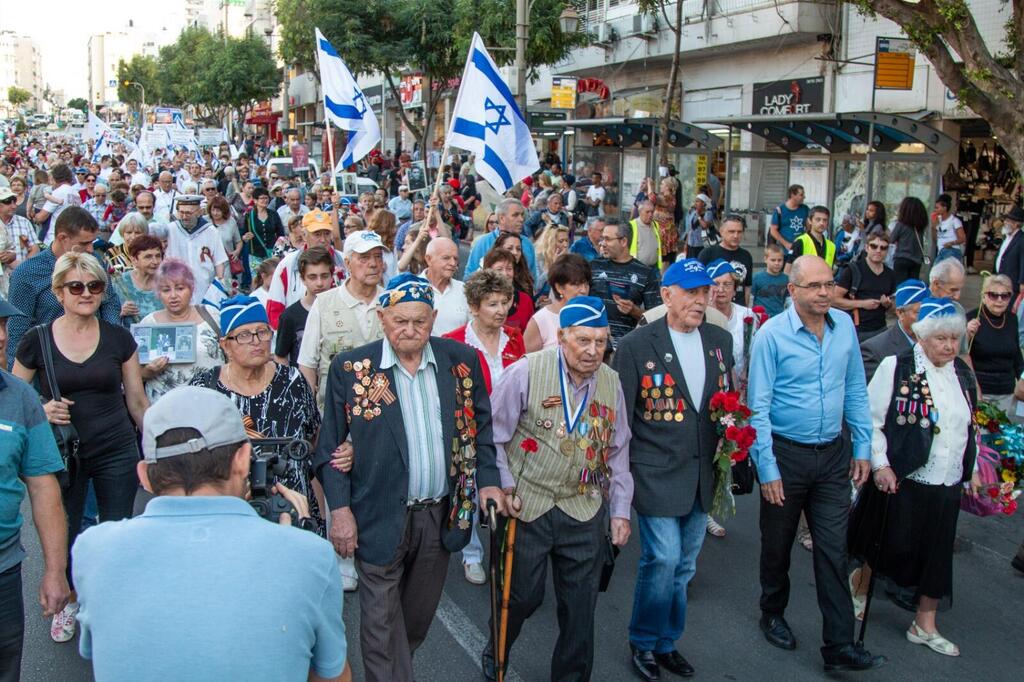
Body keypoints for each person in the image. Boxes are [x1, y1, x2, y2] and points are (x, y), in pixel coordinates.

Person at [72, 386, 351, 681]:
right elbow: (332, 673)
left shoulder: (92, 549)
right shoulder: (309, 556)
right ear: (243, 459)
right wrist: (299, 538)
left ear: (144, 476)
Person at [314, 273, 505, 682]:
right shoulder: (352, 369)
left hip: (439, 516)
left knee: (415, 621)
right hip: (378, 514)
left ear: (433, 318)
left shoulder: (461, 362)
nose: (409, 330)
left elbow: (481, 431)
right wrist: (341, 511)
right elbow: (330, 448)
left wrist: (488, 480)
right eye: (400, 320)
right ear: (382, 318)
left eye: (419, 321)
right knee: (381, 627)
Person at [746, 255, 885, 673]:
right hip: (786, 457)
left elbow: (856, 390)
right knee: (777, 544)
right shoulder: (771, 337)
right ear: (793, 291)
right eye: (815, 286)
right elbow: (758, 408)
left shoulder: (844, 329)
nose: (826, 292)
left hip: (833, 457)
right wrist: (767, 469)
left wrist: (863, 446)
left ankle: (839, 645)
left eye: (829, 284)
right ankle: (772, 610)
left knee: (832, 550)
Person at [482, 295, 632, 681]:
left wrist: (619, 511)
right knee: (521, 598)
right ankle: (496, 648)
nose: (593, 350)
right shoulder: (526, 371)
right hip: (527, 504)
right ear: (562, 336)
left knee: (581, 609)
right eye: (583, 340)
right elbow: (493, 437)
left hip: (582, 506)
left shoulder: (611, 383)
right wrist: (505, 485)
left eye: (601, 342)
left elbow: (617, 452)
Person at [12, 252, 148, 644]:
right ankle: (69, 599)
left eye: (95, 286)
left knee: (117, 528)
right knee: (67, 530)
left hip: (116, 446)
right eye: (76, 286)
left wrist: (157, 444)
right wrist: (41, 407)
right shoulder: (36, 340)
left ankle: (109, 601)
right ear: (59, 292)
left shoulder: (119, 338)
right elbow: (15, 398)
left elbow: (137, 402)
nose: (86, 293)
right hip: (61, 454)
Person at [613, 259, 733, 681]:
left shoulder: (720, 340)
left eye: (706, 292)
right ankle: (643, 641)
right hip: (655, 471)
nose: (702, 300)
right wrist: (619, 489)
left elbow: (726, 401)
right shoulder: (637, 345)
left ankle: (667, 642)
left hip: (702, 472)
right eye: (692, 292)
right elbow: (621, 419)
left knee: (684, 566)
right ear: (667, 295)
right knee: (662, 558)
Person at [848, 299, 980, 657]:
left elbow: (969, 426)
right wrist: (880, 464)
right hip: (905, 476)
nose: (950, 346)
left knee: (937, 554)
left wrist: (975, 467)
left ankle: (924, 623)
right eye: (941, 339)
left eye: (954, 339)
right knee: (889, 542)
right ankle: (861, 585)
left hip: (947, 481)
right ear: (922, 337)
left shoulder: (963, 374)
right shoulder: (897, 366)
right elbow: (871, 422)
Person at [191, 295, 325, 536]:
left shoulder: (292, 381)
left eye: (262, 332)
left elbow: (313, 441)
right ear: (225, 345)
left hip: (294, 508)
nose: (257, 342)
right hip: (231, 515)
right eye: (244, 335)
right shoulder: (205, 388)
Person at [0, 296, 71, 681]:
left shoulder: (20, 396)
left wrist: (55, 572)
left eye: (1, 326)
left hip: (4, 571)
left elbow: (44, 488)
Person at [443, 270, 525, 584]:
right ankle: (472, 554)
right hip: (469, 429)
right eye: (492, 303)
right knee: (470, 490)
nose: (501, 309)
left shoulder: (516, 338)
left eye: (505, 302)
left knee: (504, 489)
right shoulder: (453, 341)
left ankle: (505, 550)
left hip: (509, 430)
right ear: (475, 307)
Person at [5, 207, 122, 368]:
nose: (90, 249)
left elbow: (109, 302)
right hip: (50, 368)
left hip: (97, 359)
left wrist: (114, 339)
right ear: (62, 238)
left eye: (92, 243)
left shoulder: (93, 261)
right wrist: (19, 384)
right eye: (84, 243)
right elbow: (17, 330)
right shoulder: (28, 273)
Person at [298, 230, 386, 415]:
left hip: (383, 413)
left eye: (378, 257)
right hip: (334, 411)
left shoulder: (391, 302)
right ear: (347, 263)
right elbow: (307, 363)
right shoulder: (324, 303)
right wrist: (311, 415)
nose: (373, 264)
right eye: (364, 258)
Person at [137, 258, 223, 403]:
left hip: (210, 402)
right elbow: (135, 374)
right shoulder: (149, 323)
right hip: (165, 408)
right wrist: (147, 372)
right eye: (166, 290)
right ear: (158, 293)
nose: (173, 296)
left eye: (180, 288)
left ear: (191, 288)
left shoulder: (211, 315)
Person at [589, 220, 662, 349]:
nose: (602, 243)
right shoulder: (593, 266)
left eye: (607, 239)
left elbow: (657, 317)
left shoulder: (645, 273)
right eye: (602, 239)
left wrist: (634, 311)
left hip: (626, 348)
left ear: (623, 241)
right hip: (594, 345)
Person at [266, 210, 346, 329]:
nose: (323, 239)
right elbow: (274, 308)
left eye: (327, 233)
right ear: (304, 235)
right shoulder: (287, 265)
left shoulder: (345, 261)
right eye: (317, 234)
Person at [151, 195, 228, 305]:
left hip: (204, 287)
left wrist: (220, 283)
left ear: (199, 212)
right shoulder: (171, 229)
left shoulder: (211, 231)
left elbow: (219, 261)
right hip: (176, 288)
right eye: (181, 212)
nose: (184, 216)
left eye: (188, 213)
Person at [966, 274, 1022, 414]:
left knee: (1006, 433)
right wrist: (966, 335)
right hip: (981, 393)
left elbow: (1016, 356)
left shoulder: (1012, 319)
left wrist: (1021, 377)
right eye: (993, 295)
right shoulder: (972, 318)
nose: (999, 300)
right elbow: (961, 355)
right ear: (984, 296)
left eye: (1005, 295)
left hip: (1007, 392)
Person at [275, 247, 336, 368]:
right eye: (312, 277)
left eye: (324, 276)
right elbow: (280, 355)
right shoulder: (290, 316)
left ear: (332, 276)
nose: (319, 283)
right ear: (302, 279)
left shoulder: (342, 308)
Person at [833, 229, 896, 342]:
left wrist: (888, 304)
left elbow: (894, 308)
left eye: (883, 248)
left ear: (887, 251)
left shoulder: (890, 274)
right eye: (874, 246)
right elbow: (833, 300)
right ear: (866, 247)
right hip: (854, 330)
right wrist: (862, 304)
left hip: (880, 330)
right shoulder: (853, 270)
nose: (878, 250)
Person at [861, 279, 928, 383]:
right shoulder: (874, 351)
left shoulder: (936, 344)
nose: (926, 318)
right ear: (900, 313)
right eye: (919, 312)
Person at [524, 254, 591, 353]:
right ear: (559, 287)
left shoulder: (593, 314)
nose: (584, 290)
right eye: (576, 284)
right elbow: (527, 362)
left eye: (586, 284)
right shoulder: (541, 320)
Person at [706, 258, 756, 383]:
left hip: (743, 382)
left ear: (734, 290)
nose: (721, 289)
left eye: (727, 284)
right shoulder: (701, 317)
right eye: (716, 284)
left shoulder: (747, 315)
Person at [465, 198, 540, 280]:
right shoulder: (483, 242)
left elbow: (533, 278)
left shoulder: (527, 244)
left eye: (522, 215)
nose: (521, 219)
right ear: (501, 218)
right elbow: (469, 276)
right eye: (515, 215)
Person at [698, 214, 754, 305]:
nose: (736, 236)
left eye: (739, 232)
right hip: (712, 308)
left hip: (738, 310)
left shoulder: (746, 255)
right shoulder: (707, 254)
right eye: (731, 231)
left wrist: (746, 310)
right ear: (721, 232)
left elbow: (747, 287)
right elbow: (698, 284)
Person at [110, 234, 164, 326]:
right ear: (134, 259)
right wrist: (121, 312)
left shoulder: (167, 283)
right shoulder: (119, 282)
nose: (155, 261)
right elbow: (106, 317)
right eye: (148, 257)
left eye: (158, 256)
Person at [422, 237, 469, 336]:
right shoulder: (413, 288)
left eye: (455, 259)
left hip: (457, 350)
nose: (453, 263)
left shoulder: (464, 290)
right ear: (429, 259)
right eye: (446, 258)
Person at [888, 197, 929, 282]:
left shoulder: (901, 224)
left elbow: (891, 239)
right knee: (912, 286)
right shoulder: (920, 227)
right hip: (916, 261)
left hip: (902, 258)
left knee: (900, 286)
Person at [768, 184, 808, 260]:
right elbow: (773, 230)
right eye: (801, 195)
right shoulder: (780, 210)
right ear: (793, 195)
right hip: (785, 252)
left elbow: (809, 226)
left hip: (801, 251)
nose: (804, 197)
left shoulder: (805, 209)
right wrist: (786, 244)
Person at [994, 205, 1024, 299]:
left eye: (1008, 221)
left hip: (1013, 284)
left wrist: (1022, 282)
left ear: (1016, 224)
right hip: (1001, 280)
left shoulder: (1021, 239)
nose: (1005, 223)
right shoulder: (1007, 237)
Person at [752, 243, 789, 317]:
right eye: (773, 260)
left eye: (779, 260)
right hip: (760, 318)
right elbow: (751, 298)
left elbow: (788, 301)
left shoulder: (786, 279)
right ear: (765, 259)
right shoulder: (757, 277)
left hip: (779, 318)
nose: (777, 263)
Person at [534, 224, 570, 298]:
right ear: (550, 242)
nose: (565, 245)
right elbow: (536, 286)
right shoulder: (538, 257)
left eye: (567, 240)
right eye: (561, 241)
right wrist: (552, 266)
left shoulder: (569, 257)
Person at [628, 201, 664, 270]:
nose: (650, 215)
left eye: (652, 212)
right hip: (637, 268)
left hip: (654, 268)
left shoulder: (656, 225)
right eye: (647, 212)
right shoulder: (631, 226)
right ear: (640, 212)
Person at [932, 194, 965, 263]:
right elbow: (935, 239)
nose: (935, 210)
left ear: (945, 208)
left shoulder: (954, 221)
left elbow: (962, 238)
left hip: (952, 251)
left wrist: (951, 243)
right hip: (941, 251)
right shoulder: (938, 221)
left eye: (937, 208)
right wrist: (933, 226)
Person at [682, 193, 714, 261]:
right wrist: (686, 244)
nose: (695, 203)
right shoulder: (693, 213)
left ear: (703, 203)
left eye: (697, 201)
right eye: (695, 201)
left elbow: (704, 225)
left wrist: (699, 216)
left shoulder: (708, 213)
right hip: (691, 243)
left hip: (701, 244)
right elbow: (690, 229)